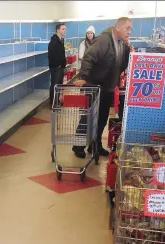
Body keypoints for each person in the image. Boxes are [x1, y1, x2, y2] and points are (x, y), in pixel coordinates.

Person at [72, 17, 132, 159]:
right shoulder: (104, 40)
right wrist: (84, 77)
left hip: (108, 87)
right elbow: (88, 57)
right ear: (118, 28)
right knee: (88, 118)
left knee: (102, 118)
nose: (129, 32)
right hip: (94, 85)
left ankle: (95, 145)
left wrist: (128, 49)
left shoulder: (120, 43)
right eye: (127, 28)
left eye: (130, 29)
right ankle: (78, 145)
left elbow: (121, 65)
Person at [48, 23, 67, 106]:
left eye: (65, 29)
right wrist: (57, 65)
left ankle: (57, 101)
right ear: (57, 30)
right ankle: (53, 102)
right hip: (56, 68)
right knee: (54, 85)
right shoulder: (54, 41)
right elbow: (51, 55)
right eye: (63, 29)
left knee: (58, 85)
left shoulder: (61, 40)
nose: (64, 31)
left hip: (60, 67)